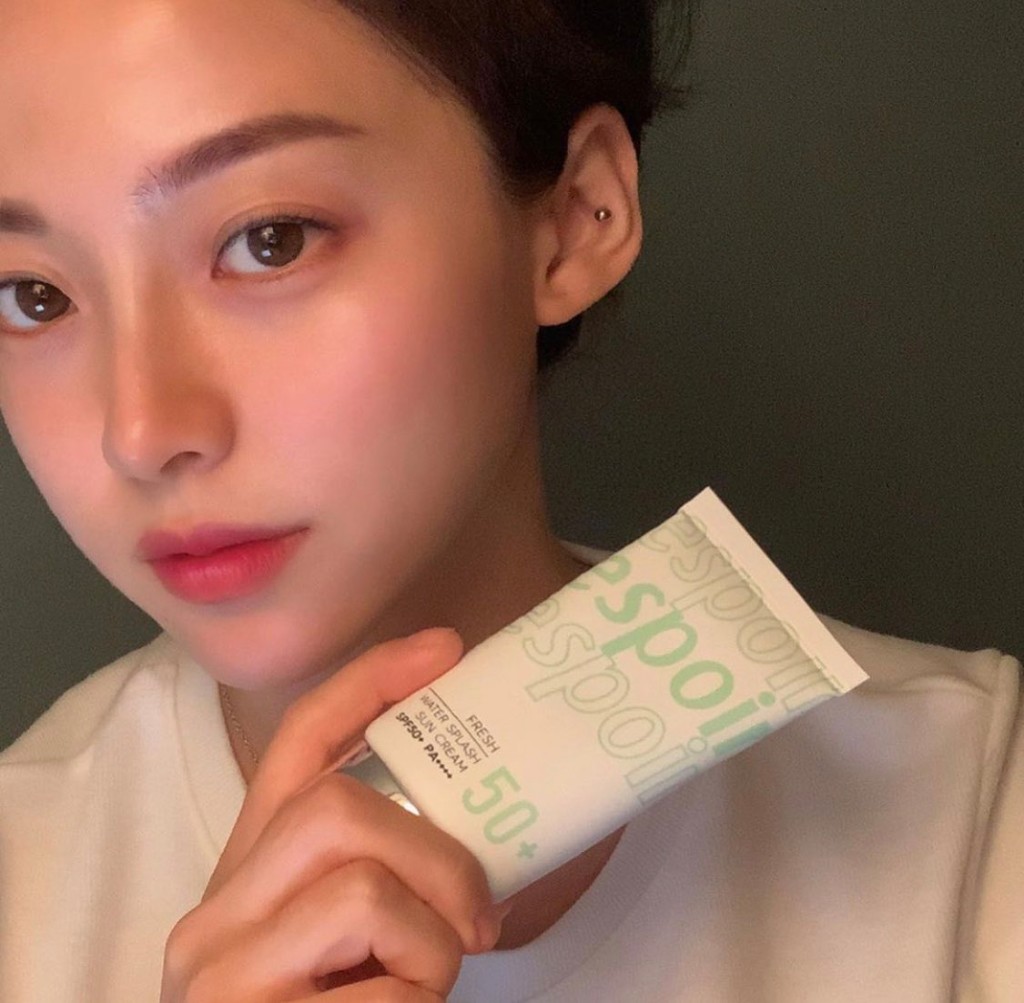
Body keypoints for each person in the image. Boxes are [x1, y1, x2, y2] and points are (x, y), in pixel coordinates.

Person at [0, 0, 1020, 999]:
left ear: (575, 218)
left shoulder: (978, 822)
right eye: (30, 296)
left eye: (271, 240)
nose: (141, 431)